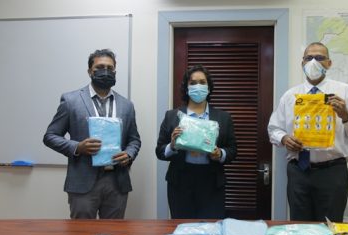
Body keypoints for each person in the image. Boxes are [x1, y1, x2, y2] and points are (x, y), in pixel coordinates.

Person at [268, 42, 348, 222]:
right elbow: (273, 128)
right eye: (309, 58)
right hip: (299, 170)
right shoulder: (290, 96)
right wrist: (283, 139)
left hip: (333, 172)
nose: (313, 62)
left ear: (329, 63)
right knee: (300, 227)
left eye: (320, 58)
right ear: (302, 63)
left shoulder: (345, 92)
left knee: (330, 227)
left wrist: (346, 116)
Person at [43, 49, 141, 219]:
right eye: (100, 67)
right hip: (83, 182)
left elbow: (134, 140)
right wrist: (77, 147)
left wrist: (129, 154)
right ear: (90, 71)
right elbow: (50, 136)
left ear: (115, 71)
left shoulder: (126, 105)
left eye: (110, 68)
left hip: (117, 182)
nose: (106, 71)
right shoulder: (71, 100)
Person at [155, 65, 237, 219]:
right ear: (186, 88)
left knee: (211, 231)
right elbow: (159, 151)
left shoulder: (223, 118)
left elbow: (233, 150)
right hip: (180, 182)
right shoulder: (172, 116)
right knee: (182, 231)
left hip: (212, 182)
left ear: (209, 87)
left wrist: (220, 154)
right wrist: (172, 145)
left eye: (202, 82)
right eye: (193, 83)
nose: (197, 86)